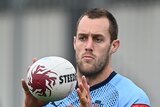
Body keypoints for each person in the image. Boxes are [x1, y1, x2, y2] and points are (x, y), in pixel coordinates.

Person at [22, 8, 151, 107]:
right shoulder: (51, 93)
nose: (88, 46)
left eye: (98, 39)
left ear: (114, 46)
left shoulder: (133, 98)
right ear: (74, 42)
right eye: (82, 38)